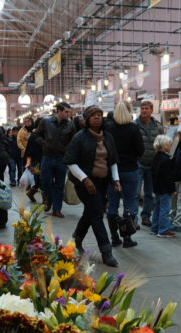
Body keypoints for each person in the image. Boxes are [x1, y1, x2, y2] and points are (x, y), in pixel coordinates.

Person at [63, 105, 121, 267]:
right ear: (87, 119)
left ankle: (76, 238)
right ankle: (106, 250)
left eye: (99, 115)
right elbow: (70, 162)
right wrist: (85, 179)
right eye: (93, 115)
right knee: (97, 214)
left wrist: (116, 180)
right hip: (84, 183)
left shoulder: (108, 137)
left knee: (91, 211)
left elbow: (113, 161)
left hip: (102, 183)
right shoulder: (80, 137)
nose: (97, 117)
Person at [106, 101, 144, 248]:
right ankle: (127, 237)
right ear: (129, 111)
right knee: (130, 203)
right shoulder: (133, 128)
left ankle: (115, 238)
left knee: (112, 204)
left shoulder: (109, 128)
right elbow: (140, 150)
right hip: (130, 170)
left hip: (112, 172)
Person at [38, 102, 75, 218]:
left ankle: (57, 209)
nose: (68, 114)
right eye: (66, 112)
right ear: (59, 111)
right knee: (45, 181)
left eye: (69, 112)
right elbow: (36, 135)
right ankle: (49, 199)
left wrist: (67, 151)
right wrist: (44, 144)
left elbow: (73, 142)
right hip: (47, 157)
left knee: (59, 185)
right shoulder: (45, 121)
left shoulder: (70, 126)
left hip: (61, 159)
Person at [134, 100, 164, 227]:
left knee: (149, 193)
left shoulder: (158, 126)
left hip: (152, 164)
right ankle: (133, 219)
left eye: (146, 108)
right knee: (135, 193)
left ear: (152, 110)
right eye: (142, 109)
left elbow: (162, 143)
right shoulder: (134, 125)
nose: (144, 111)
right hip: (138, 163)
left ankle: (146, 217)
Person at [150, 135, 175, 238]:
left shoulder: (155, 158)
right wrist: (173, 189)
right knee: (165, 210)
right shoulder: (166, 160)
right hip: (165, 189)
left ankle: (154, 228)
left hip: (157, 188)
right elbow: (168, 177)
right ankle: (163, 231)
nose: (170, 146)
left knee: (157, 209)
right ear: (165, 146)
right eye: (169, 145)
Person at [24, 118, 44, 203]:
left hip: (44, 161)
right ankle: (45, 200)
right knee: (41, 180)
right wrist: (29, 163)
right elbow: (28, 151)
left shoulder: (45, 135)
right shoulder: (33, 136)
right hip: (36, 162)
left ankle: (31, 193)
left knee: (40, 180)